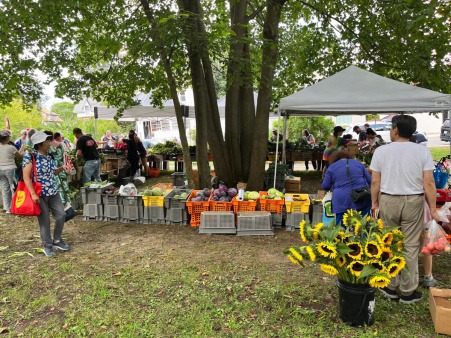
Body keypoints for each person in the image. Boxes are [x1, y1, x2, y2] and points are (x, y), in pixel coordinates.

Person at [370, 115, 439, 304]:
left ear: (395, 130)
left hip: (388, 200)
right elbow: (429, 183)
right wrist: (432, 208)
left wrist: (374, 203)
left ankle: (391, 286)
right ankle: (408, 291)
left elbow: (376, 181)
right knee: (410, 245)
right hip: (413, 202)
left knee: (390, 242)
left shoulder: (381, 151)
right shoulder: (422, 151)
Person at [22, 131, 69, 257]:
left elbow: (52, 173)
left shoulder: (49, 156)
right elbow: (26, 177)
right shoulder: (30, 157)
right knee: (45, 220)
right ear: (39, 143)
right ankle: (47, 245)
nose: (49, 143)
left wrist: (62, 168)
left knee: (61, 215)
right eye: (47, 141)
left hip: (53, 191)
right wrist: (33, 193)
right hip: (39, 193)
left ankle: (57, 240)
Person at [321, 148, 372, 226]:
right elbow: (369, 180)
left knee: (341, 229)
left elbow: (325, 186)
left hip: (341, 201)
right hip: (361, 197)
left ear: (335, 159)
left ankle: (343, 237)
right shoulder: (358, 163)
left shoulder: (332, 167)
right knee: (363, 226)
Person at [0, 130, 23, 213]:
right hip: (10, 169)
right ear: (7, 138)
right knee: (13, 187)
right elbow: (20, 156)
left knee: (5, 188)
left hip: (0, 169)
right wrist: (23, 150)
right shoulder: (11, 147)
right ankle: (14, 207)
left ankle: (7, 208)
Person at [48, 132, 72, 209]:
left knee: (56, 186)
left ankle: (59, 205)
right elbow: (65, 156)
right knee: (64, 184)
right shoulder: (61, 144)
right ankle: (68, 204)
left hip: (52, 167)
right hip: (62, 166)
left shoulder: (47, 146)